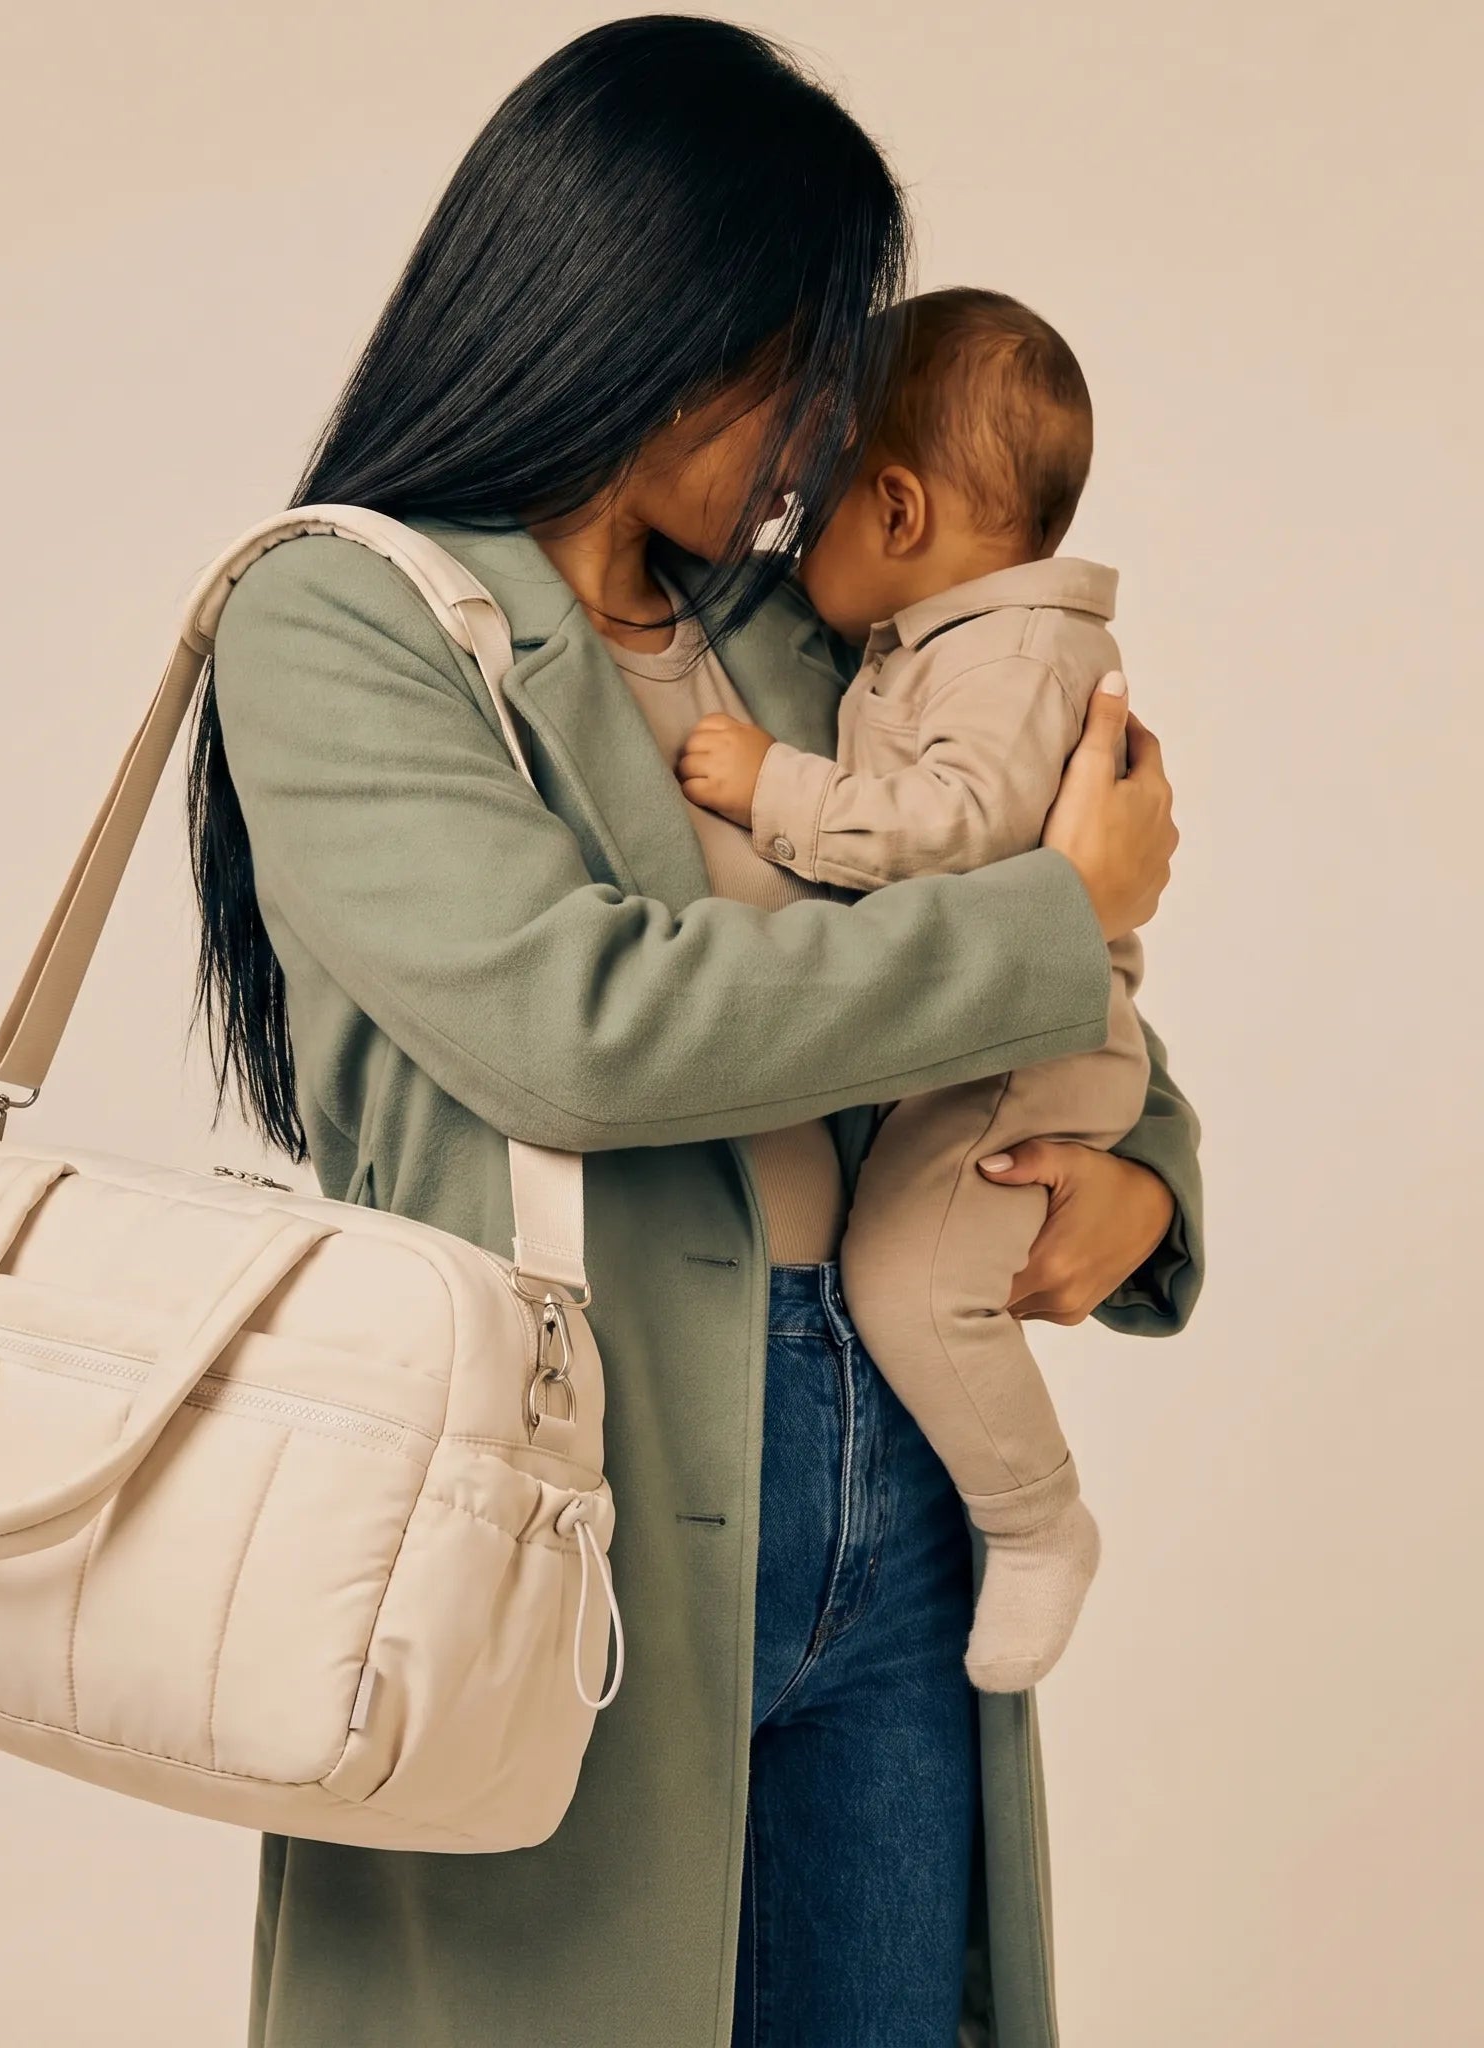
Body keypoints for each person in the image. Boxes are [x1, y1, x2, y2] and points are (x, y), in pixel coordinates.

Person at [190, 19, 1202, 2046]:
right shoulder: (339, 618)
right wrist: (1052, 914)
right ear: (641, 311)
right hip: (562, 1481)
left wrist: (1138, 1173)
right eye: (795, 355)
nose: (828, 424)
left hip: (893, 1468)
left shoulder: (782, 623)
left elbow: (985, 927)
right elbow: (584, 1026)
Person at [673, 286, 1150, 1693]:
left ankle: (1037, 1521)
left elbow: (959, 831)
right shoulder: (948, 639)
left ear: (894, 513)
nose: (781, 520)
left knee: (912, 1282)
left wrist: (781, 790)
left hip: (1017, 1051)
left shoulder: (1007, 658)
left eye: (808, 498)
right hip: (994, 1029)